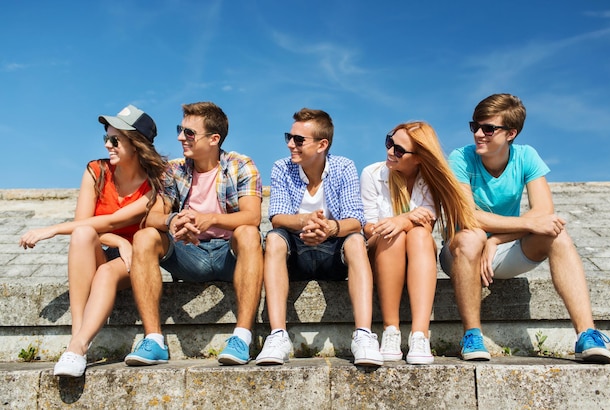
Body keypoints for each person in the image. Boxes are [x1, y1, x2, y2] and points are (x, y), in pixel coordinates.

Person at [440, 93, 610, 363]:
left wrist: (496, 239)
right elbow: (469, 216)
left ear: (511, 133)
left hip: (501, 250)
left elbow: (544, 213)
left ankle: (587, 335)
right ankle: (472, 335)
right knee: (472, 236)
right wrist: (526, 224)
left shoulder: (526, 156)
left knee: (557, 234)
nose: (478, 135)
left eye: (488, 129)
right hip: (461, 252)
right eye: (475, 126)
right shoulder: (461, 158)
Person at [19, 104, 167, 377]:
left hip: (136, 259)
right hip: (110, 248)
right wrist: (120, 242)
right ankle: (76, 344)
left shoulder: (155, 184)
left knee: (106, 272)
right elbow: (87, 225)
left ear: (136, 144)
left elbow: (113, 220)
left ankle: (77, 347)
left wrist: (52, 229)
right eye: (106, 139)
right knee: (83, 233)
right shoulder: (96, 171)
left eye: (115, 140)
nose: (108, 145)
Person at [124, 101, 263, 367]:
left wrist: (210, 219)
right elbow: (152, 216)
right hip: (189, 253)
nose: (180, 137)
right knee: (144, 237)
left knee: (248, 233)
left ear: (214, 139)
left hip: (228, 255)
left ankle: (242, 338)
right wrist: (174, 221)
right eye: (180, 129)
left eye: (189, 133)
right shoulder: (174, 170)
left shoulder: (240, 164)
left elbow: (252, 216)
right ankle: (153, 340)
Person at [256, 108, 383, 367]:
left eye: (299, 140)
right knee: (274, 239)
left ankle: (363, 335)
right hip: (296, 252)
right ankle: (278, 335)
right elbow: (278, 217)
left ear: (322, 144)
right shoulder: (281, 167)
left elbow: (355, 220)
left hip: (333, 251)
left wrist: (328, 228)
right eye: (289, 137)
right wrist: (306, 221)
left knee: (357, 240)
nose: (291, 144)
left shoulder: (344, 166)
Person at [360, 121, 477, 364]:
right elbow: (369, 227)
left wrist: (402, 222)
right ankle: (390, 330)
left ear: (419, 157)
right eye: (389, 142)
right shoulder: (372, 174)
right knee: (393, 234)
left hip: (416, 249)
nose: (390, 151)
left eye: (399, 150)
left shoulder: (430, 181)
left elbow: (426, 224)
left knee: (418, 234)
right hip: (379, 250)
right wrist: (404, 219)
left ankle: (420, 334)